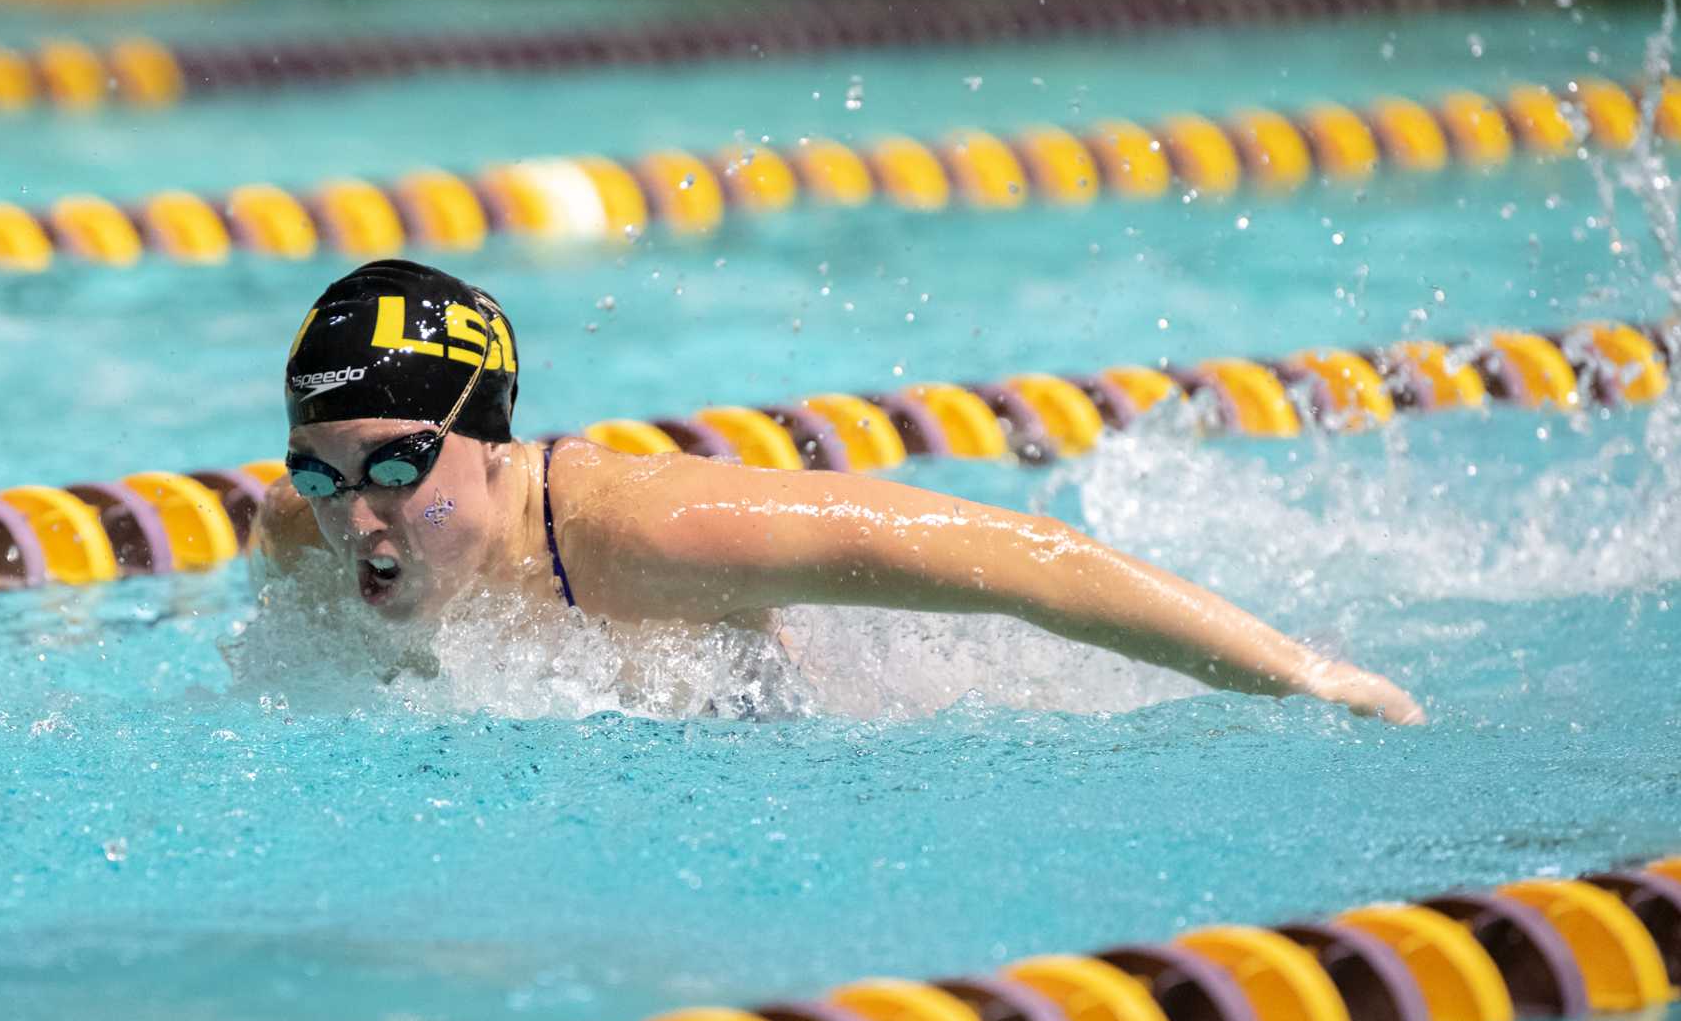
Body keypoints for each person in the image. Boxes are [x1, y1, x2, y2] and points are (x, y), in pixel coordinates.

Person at [254, 259, 1426, 724]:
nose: (358, 517)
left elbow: (1018, 560)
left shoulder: (650, 534)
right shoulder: (298, 541)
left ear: (496, 441)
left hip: (829, 724)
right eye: (322, 472)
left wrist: (1297, 673)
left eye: (400, 465)